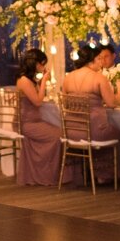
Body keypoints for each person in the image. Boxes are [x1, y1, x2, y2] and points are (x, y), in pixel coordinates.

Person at [13, 49, 77, 186]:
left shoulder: (30, 80)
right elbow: (37, 101)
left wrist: (41, 81)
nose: (43, 67)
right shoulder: (24, 80)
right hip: (27, 123)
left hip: (35, 121)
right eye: (42, 64)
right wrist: (43, 82)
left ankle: (52, 172)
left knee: (60, 131)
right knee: (58, 135)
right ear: (36, 64)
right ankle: (47, 173)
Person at [61, 43, 120, 182]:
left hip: (71, 130)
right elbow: (112, 103)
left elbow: (65, 104)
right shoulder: (99, 78)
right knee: (117, 132)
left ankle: (86, 172)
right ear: (91, 61)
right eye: (99, 59)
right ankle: (105, 174)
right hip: (93, 131)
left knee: (108, 132)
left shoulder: (68, 77)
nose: (102, 62)